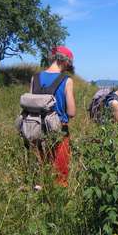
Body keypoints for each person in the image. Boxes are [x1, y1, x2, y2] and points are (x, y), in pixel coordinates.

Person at [29, 46, 76, 187]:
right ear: (65, 61)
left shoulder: (35, 78)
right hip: (58, 129)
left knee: (40, 166)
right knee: (59, 170)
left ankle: (39, 191)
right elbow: (72, 112)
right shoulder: (66, 80)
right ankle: (57, 197)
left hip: (35, 129)